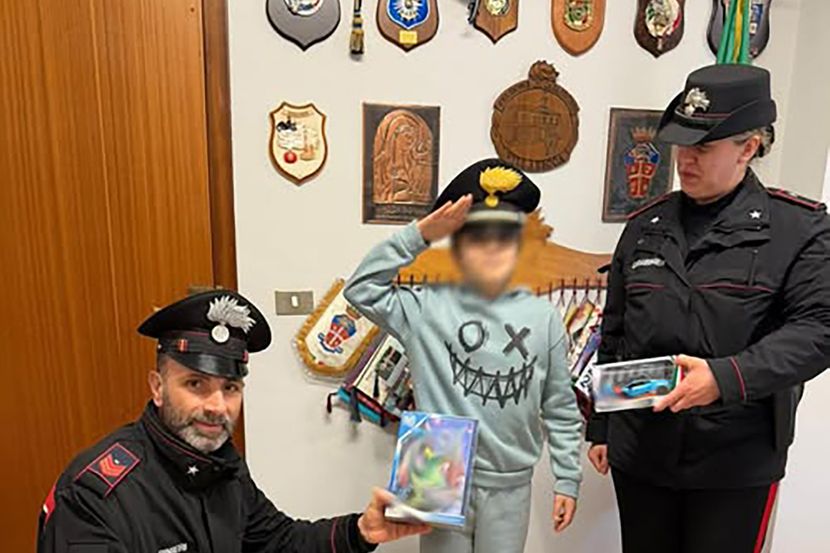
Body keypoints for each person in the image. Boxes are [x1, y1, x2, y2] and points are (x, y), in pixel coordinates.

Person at [586, 64, 830, 553]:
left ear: (748, 147)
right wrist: (602, 426)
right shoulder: (645, 226)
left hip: (734, 461)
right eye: (681, 145)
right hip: (643, 451)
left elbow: (818, 330)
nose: (685, 160)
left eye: (702, 147)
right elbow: (615, 332)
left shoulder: (798, 229)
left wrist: (723, 378)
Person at [37, 290, 429, 553]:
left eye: (230, 388)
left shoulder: (221, 464)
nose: (217, 406)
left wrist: (360, 531)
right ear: (157, 387)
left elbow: (278, 541)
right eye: (195, 384)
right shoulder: (94, 494)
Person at [344, 159, 583, 553]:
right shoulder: (424, 307)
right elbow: (361, 289)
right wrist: (420, 234)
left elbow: (559, 406)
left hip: (509, 480)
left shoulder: (544, 318)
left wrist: (567, 480)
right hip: (435, 463)